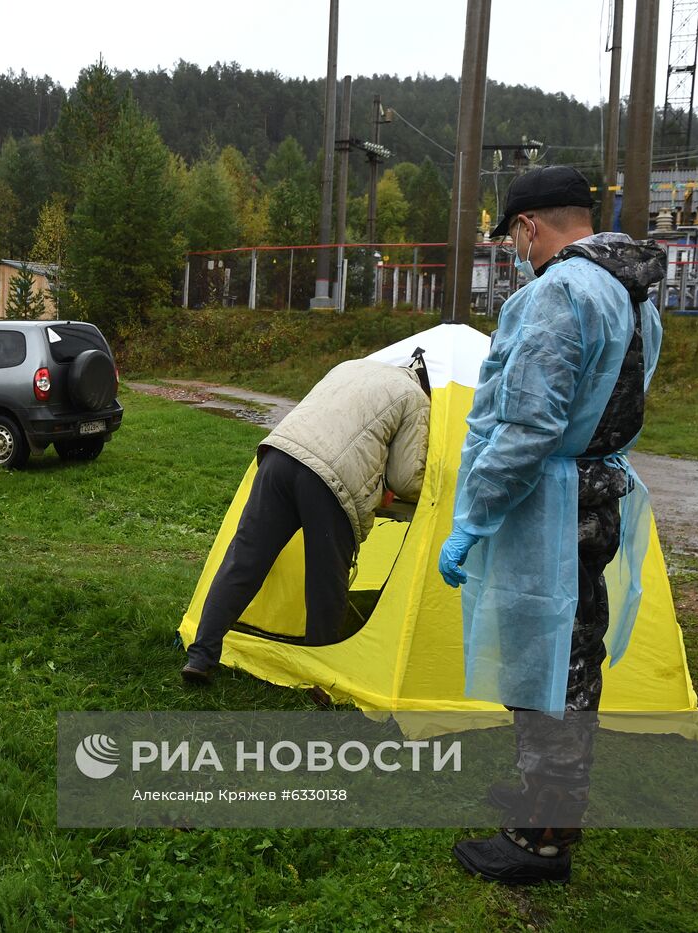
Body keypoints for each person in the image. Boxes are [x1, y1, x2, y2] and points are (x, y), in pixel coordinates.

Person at [438, 165, 664, 884]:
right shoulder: (634, 295)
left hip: (548, 506)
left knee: (555, 663)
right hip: (594, 494)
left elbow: (528, 423)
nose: (515, 252)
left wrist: (474, 515)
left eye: (512, 238)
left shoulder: (559, 293)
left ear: (530, 227)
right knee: (565, 649)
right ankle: (541, 793)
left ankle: (544, 839)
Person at [182, 356, 431, 683]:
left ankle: (201, 656)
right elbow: (406, 478)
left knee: (243, 562)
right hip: (329, 481)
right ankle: (319, 671)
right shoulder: (415, 398)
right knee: (325, 583)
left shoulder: (351, 366)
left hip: (279, 457)